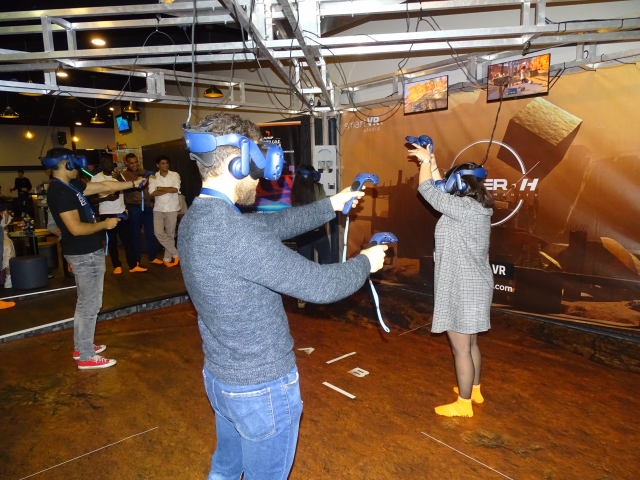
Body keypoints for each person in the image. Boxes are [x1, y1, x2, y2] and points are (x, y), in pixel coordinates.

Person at [179, 113, 388, 480]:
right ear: (239, 161)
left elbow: (270, 224)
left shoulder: (198, 218)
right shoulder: (235, 235)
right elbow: (322, 286)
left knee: (225, 470)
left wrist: (331, 204)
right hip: (261, 388)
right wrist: (366, 262)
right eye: (257, 162)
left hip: (222, 378)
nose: (261, 178)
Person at [409, 142, 494, 418]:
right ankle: (475, 390)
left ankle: (463, 404)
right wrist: (432, 163)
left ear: (459, 184)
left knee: (461, 349)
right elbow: (440, 188)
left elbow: (428, 190)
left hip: (462, 287)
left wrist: (424, 163)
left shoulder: (463, 209)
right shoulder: (474, 207)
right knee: (471, 344)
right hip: (475, 285)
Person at [44, 148, 145, 369]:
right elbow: (76, 228)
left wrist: (132, 183)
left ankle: (81, 347)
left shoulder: (70, 186)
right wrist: (104, 224)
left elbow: (102, 186)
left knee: (85, 303)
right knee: (90, 305)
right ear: (66, 164)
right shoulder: (60, 192)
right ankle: (86, 356)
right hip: (84, 253)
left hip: (86, 252)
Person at [91, 155, 146, 274]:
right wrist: (107, 198)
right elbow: (92, 199)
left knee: (128, 240)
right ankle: (117, 265)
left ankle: (133, 265)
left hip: (121, 211)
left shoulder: (118, 176)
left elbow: (128, 189)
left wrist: (121, 179)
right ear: (101, 165)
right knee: (112, 241)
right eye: (107, 163)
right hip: (106, 212)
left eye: (111, 163)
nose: (110, 165)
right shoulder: (96, 178)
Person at [290, 165, 332, 308]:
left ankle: (302, 299)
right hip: (317, 231)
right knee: (326, 260)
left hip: (301, 232)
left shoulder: (295, 189)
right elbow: (322, 209)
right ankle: (327, 293)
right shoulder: (318, 188)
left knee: (303, 266)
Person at [122, 153, 158, 266]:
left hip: (147, 206)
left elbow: (150, 188)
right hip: (134, 207)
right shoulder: (124, 175)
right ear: (126, 163)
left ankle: (152, 257)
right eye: (131, 163)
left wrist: (152, 200)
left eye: (136, 162)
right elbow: (126, 190)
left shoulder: (144, 171)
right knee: (135, 235)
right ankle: (136, 261)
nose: (134, 165)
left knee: (150, 233)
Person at [149, 155, 181, 267]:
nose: (165, 165)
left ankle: (167, 258)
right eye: (162, 163)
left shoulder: (175, 174)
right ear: (157, 165)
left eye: (166, 163)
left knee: (170, 234)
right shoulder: (153, 177)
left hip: (172, 208)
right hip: (158, 208)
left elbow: (175, 189)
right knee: (158, 233)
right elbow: (152, 192)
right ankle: (175, 253)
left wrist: (160, 188)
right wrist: (168, 190)